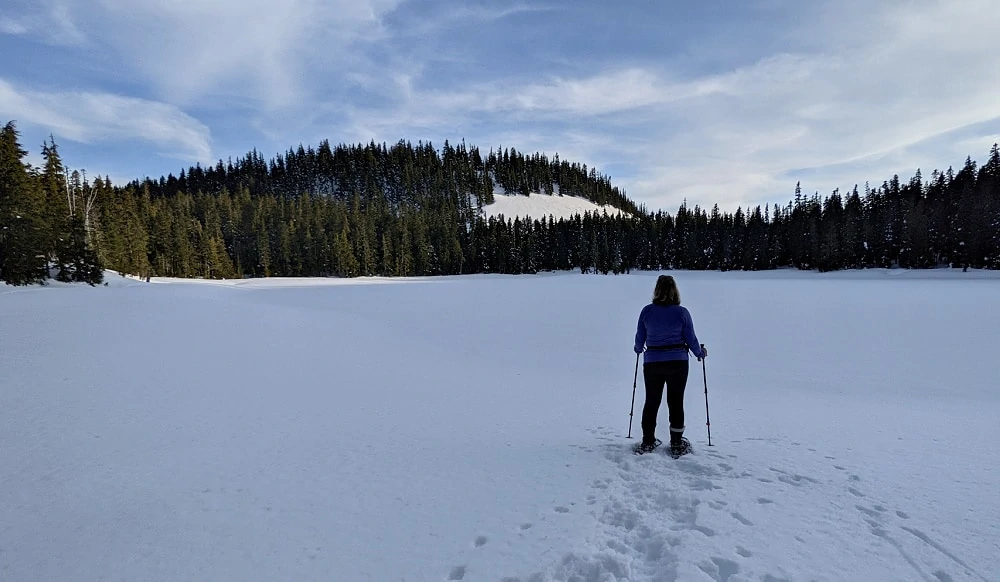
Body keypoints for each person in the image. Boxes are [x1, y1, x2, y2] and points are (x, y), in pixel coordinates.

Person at [633, 275, 707, 456]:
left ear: (657, 290)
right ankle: (676, 443)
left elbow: (639, 339)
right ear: (675, 290)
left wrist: (637, 348)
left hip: (652, 362)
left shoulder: (647, 312)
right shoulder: (682, 313)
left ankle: (648, 441)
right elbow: (691, 339)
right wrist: (700, 353)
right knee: (675, 401)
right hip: (678, 363)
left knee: (651, 401)